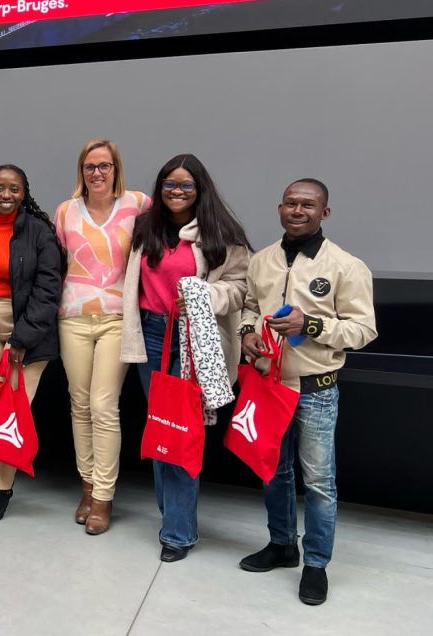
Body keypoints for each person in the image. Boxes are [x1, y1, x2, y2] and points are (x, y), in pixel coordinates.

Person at [236, 178, 377, 606]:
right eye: (291, 203)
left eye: (308, 205)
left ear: (324, 213)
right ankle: (282, 546)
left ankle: (316, 564)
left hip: (316, 389)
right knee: (272, 471)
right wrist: (246, 335)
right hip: (268, 384)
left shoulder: (347, 266)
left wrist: (310, 326)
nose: (298, 211)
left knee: (318, 482)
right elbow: (247, 306)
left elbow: (363, 330)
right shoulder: (261, 261)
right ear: (280, 208)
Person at [121, 153, 251, 562]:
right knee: (162, 427)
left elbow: (240, 288)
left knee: (181, 431)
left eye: (186, 186)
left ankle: (178, 532)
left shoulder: (220, 232)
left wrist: (202, 294)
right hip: (152, 335)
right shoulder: (146, 227)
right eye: (169, 185)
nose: (177, 192)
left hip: (192, 339)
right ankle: (173, 518)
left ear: (200, 190)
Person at [54, 139, 150, 535]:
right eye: (90, 166)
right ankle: (88, 485)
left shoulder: (139, 204)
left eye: (105, 166)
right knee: (79, 403)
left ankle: (104, 497)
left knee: (103, 404)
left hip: (117, 318)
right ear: (82, 170)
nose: (97, 173)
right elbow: (57, 260)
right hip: (73, 317)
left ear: (116, 169)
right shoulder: (65, 211)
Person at [0, 164, 62, 523]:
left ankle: (1, 488)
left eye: (14, 189)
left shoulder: (39, 231)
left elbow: (49, 289)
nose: (6, 195)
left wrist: (22, 337)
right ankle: (0, 481)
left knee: (12, 407)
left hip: (26, 326)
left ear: (24, 192)